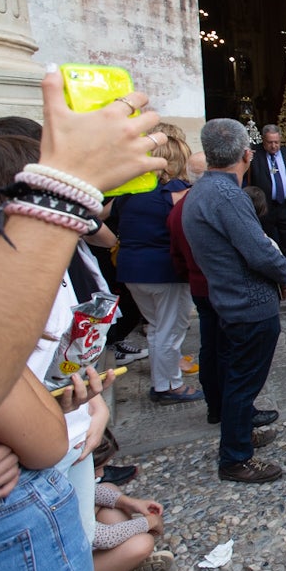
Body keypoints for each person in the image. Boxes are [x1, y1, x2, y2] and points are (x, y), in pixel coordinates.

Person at [0, 69, 166, 571]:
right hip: (12, 549)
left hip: (46, 495)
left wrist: (79, 403)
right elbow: (36, 436)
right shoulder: (5, 285)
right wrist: (63, 189)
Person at [182, 119, 286, 484]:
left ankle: (239, 431)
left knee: (237, 377)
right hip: (247, 303)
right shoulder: (228, 195)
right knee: (243, 381)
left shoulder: (202, 191)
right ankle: (235, 456)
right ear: (247, 154)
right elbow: (257, 250)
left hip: (228, 298)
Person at [110, 131, 201, 405]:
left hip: (131, 269)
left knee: (158, 327)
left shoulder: (129, 193)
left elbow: (103, 217)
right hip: (164, 272)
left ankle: (164, 378)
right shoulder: (174, 193)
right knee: (170, 330)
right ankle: (167, 385)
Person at [246, 124, 286, 261]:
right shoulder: (253, 155)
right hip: (264, 207)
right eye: (269, 142)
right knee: (268, 243)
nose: (273, 146)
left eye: (276, 142)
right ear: (263, 140)